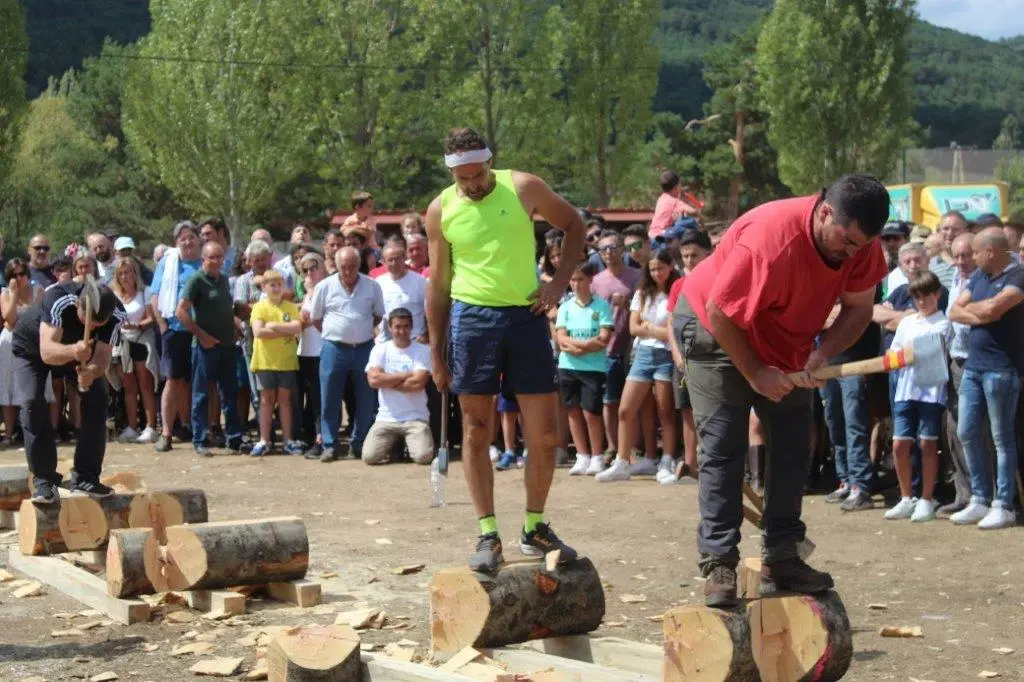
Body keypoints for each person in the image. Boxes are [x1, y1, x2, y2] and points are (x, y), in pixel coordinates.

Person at [676, 174, 889, 606]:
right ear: (825, 212)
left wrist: (823, 352)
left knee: (793, 443)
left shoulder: (862, 245)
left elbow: (858, 309)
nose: (851, 253)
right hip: (715, 329)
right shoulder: (770, 239)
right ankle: (719, 563)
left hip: (785, 338)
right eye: (846, 241)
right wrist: (756, 372)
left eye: (861, 246)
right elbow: (720, 312)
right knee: (724, 448)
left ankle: (782, 555)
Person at [425, 127, 585, 573]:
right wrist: (436, 353)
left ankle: (534, 526)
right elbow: (438, 286)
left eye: (479, 174)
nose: (473, 184)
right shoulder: (440, 209)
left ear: (490, 163)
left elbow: (574, 224)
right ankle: (488, 533)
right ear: (452, 173)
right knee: (477, 430)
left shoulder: (523, 187)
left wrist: (558, 284)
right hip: (471, 320)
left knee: (545, 434)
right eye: (464, 178)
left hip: (526, 316)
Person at [13, 280, 126, 502]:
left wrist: (91, 371)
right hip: (32, 348)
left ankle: (86, 478)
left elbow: (102, 356)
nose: (92, 327)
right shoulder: (58, 298)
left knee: (98, 398)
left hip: (77, 353)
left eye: (98, 323)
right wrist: (74, 350)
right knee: (31, 402)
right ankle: (44, 481)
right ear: (77, 305)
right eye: (87, 320)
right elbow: (47, 352)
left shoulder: (115, 313)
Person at [948, 228, 1024, 530]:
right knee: (966, 431)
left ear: (990, 251)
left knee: (1001, 438)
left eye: (976, 253)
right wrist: (982, 314)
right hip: (973, 367)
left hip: (1001, 369)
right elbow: (954, 311)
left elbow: (995, 308)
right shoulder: (979, 276)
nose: (973, 259)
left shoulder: (1018, 276)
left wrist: (978, 311)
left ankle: (1003, 504)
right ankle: (979, 498)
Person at [597, 249, 679, 482]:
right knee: (625, 409)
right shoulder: (642, 293)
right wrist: (656, 330)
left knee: (665, 412)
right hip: (642, 355)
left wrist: (649, 328)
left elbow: (669, 333)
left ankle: (667, 461)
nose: (656, 273)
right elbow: (633, 328)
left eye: (660, 268)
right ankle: (622, 462)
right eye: (652, 269)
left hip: (665, 356)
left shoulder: (676, 292)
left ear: (670, 267)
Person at [883, 271, 952, 522]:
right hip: (904, 390)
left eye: (927, 296)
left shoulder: (944, 323)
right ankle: (906, 498)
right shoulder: (906, 323)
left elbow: (928, 351)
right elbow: (892, 354)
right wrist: (898, 358)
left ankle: (926, 499)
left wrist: (905, 355)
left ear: (938, 294)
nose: (922, 302)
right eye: (917, 297)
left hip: (931, 393)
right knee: (899, 444)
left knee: (927, 444)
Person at [310, 247, 384, 462]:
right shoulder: (324, 286)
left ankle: (359, 443)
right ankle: (330, 445)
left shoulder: (372, 285)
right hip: (334, 348)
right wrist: (337, 333)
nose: (349, 271)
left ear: (359, 264)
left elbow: (378, 315)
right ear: (337, 266)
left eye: (353, 266)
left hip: (364, 348)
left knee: (366, 398)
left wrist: (358, 331)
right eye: (344, 267)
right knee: (329, 398)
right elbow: (316, 318)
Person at [175, 242, 247, 457]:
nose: (216, 261)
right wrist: (202, 336)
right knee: (201, 395)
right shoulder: (196, 280)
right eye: (212, 257)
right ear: (203, 259)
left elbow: (225, 308)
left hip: (227, 345)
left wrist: (235, 327)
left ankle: (234, 438)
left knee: (229, 393)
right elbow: (181, 312)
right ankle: (200, 439)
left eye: (219, 257)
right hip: (205, 348)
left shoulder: (224, 279)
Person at [664, 229, 713, 484]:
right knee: (687, 412)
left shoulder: (718, 281)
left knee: (711, 413)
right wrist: (677, 355)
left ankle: (710, 465)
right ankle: (690, 465)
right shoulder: (678, 285)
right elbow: (671, 322)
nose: (690, 260)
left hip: (710, 358)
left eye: (695, 255)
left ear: (709, 254)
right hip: (683, 359)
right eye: (685, 256)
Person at [555, 262, 613, 476]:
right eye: (572, 280)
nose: (576, 284)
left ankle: (597, 457)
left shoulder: (601, 305)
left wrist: (580, 347)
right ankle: (582, 456)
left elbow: (604, 338)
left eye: (580, 279)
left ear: (590, 280)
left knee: (591, 413)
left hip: (593, 368)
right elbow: (561, 338)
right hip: (568, 366)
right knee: (573, 411)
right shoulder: (565, 307)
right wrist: (586, 345)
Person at [590, 230, 641, 469]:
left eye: (612, 247)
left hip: (633, 347)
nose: (608, 252)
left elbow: (646, 307)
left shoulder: (637, 276)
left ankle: (635, 447)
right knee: (609, 401)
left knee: (635, 402)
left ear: (623, 249)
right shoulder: (596, 281)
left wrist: (628, 303)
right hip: (606, 349)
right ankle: (612, 446)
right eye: (603, 249)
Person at [151, 221, 203, 452]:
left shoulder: (204, 261)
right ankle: (166, 433)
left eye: (191, 236)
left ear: (198, 239)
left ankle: (192, 426)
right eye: (183, 238)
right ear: (176, 242)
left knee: (195, 382)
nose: (188, 241)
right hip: (173, 329)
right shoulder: (168, 262)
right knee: (173, 380)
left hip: (199, 331)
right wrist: (163, 326)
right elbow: (155, 295)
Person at [363, 307, 435, 465]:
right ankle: (395, 444)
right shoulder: (380, 349)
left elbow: (417, 383)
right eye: (397, 327)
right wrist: (405, 375)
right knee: (369, 457)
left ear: (411, 327)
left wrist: (386, 381)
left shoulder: (422, 350)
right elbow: (373, 381)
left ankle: (405, 443)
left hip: (415, 418)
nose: (402, 331)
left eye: (406, 326)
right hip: (386, 418)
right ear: (390, 327)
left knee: (423, 457)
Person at [939, 232, 979, 517]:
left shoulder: (984, 280)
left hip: (978, 361)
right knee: (953, 428)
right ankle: (964, 494)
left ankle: (984, 496)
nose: (962, 261)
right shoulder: (955, 278)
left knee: (976, 430)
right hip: (955, 360)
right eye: (957, 256)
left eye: (967, 255)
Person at [249, 269, 303, 457]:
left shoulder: (290, 307)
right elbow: (259, 332)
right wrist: (285, 330)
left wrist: (274, 326)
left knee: (285, 401)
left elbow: (297, 327)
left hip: (286, 361)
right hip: (265, 361)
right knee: (266, 400)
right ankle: (264, 439)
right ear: (264, 287)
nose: (276, 288)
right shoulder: (259, 307)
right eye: (272, 285)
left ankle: (288, 440)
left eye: (279, 284)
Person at [109, 257, 159, 444]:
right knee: (129, 386)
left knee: (145, 385)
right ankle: (132, 427)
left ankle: (151, 427)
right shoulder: (114, 295)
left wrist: (137, 325)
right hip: (122, 344)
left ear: (134, 273)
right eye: (120, 274)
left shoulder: (144, 292)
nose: (124, 277)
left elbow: (151, 318)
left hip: (141, 341)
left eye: (127, 272)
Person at [0, 259, 42, 443]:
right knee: (8, 387)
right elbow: (9, 318)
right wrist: (14, 293)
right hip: (10, 342)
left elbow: (37, 318)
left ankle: (31, 432)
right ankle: (9, 434)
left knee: (30, 387)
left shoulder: (38, 290)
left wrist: (19, 320)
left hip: (32, 341)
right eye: (14, 275)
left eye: (22, 274)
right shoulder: (5, 293)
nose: (18, 278)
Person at [297, 253, 327, 460]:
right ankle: (308, 437)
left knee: (319, 399)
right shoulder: (308, 294)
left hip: (320, 352)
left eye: (313, 268)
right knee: (307, 399)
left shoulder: (324, 289)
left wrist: (309, 292)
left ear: (322, 268)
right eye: (305, 270)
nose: (309, 273)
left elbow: (314, 317)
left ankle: (320, 440)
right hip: (304, 351)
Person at [376, 241, 427, 343]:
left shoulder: (419, 281)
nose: (394, 263)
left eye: (397, 259)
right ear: (383, 262)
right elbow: (372, 314)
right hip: (386, 343)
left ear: (404, 258)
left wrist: (426, 335)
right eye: (390, 260)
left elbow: (431, 313)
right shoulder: (378, 283)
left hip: (415, 341)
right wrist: (377, 334)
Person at [649, 170, 700, 239]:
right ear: (676, 187)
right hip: (662, 235)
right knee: (690, 226)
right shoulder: (675, 202)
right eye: (680, 184)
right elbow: (693, 211)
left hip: (651, 233)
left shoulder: (661, 198)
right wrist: (689, 203)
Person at [929, 212, 968, 290]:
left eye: (956, 229)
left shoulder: (974, 262)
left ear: (966, 231)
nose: (950, 233)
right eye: (945, 229)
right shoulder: (930, 265)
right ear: (938, 231)